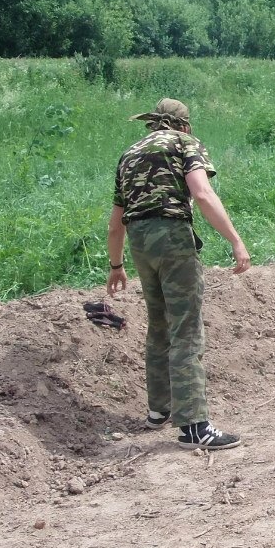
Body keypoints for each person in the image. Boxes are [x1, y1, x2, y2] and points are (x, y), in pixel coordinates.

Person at [106, 98, 251, 451]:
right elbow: (201, 193)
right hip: (172, 237)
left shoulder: (129, 154)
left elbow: (115, 222)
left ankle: (160, 410)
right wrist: (235, 240)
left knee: (159, 325)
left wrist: (115, 265)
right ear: (183, 125)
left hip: (140, 243)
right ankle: (195, 427)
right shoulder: (184, 143)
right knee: (186, 328)